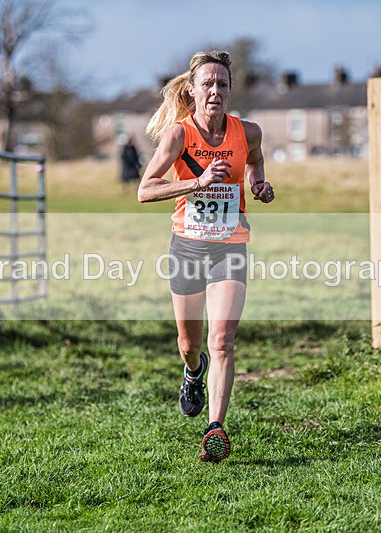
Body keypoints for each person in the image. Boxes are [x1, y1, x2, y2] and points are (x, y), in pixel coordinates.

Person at [137, 51, 275, 462]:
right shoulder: (179, 135)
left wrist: (259, 184)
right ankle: (192, 372)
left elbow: (256, 160)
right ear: (193, 90)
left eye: (222, 84)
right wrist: (195, 183)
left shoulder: (247, 131)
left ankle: (215, 427)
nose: (215, 91)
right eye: (208, 84)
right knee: (189, 342)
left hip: (230, 245)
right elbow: (145, 189)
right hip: (188, 246)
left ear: (231, 90)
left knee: (223, 339)